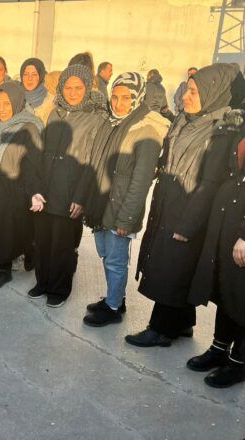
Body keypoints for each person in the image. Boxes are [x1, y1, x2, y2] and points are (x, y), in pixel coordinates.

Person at [127, 64, 242, 346]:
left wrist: (189, 224)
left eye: (193, 92)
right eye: (187, 90)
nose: (185, 97)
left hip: (189, 209)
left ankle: (161, 329)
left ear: (212, 94)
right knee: (176, 266)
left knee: (172, 268)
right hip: (170, 202)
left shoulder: (220, 131)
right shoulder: (187, 120)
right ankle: (183, 323)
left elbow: (209, 183)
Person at [82, 72, 170, 327]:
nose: (119, 103)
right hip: (102, 203)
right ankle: (115, 298)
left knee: (116, 260)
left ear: (138, 98)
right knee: (105, 254)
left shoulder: (147, 130)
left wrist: (127, 218)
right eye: (115, 97)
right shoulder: (113, 123)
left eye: (126, 98)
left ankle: (112, 308)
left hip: (120, 208)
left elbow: (141, 182)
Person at [29, 64, 107, 307]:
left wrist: (81, 197)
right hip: (47, 190)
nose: (73, 93)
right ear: (61, 87)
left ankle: (59, 288)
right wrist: (36, 188)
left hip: (70, 192)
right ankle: (42, 282)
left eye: (78, 88)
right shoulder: (55, 113)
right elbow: (41, 152)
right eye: (68, 87)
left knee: (62, 245)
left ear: (87, 88)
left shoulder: (95, 119)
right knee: (42, 241)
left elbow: (92, 162)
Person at [187, 108, 245, 388]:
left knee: (242, 296)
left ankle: (239, 362)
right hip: (228, 218)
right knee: (226, 289)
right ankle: (220, 348)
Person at [0, 81, 43, 289]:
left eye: (7, 103)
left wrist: (33, 192)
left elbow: (34, 163)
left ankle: (19, 260)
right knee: (2, 231)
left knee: (16, 230)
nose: (1, 109)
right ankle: (6, 267)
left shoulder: (29, 127)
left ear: (17, 102)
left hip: (17, 189)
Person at [20, 58, 55, 125]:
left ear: (41, 76)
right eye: (26, 74)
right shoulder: (15, 97)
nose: (30, 78)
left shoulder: (51, 102)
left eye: (34, 74)